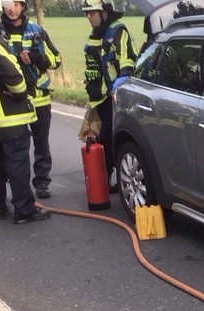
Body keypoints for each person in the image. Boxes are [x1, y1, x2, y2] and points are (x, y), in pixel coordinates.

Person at [0, 0, 50, 224]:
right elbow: (12, 74)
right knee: (17, 162)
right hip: (7, 117)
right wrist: (21, 93)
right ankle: (24, 210)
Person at [0, 0, 61, 199]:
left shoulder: (37, 31)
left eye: (17, 4)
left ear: (23, 6)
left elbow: (56, 60)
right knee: (13, 148)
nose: (12, 9)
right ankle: (14, 184)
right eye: (8, 4)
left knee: (41, 144)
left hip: (39, 99)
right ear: (2, 6)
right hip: (11, 102)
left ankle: (42, 181)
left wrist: (37, 58)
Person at [80, 0, 136, 192]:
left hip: (115, 96)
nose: (88, 16)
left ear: (104, 12)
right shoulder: (93, 36)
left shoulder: (118, 31)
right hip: (98, 98)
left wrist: (121, 81)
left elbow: (128, 60)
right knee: (101, 140)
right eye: (86, 13)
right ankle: (105, 180)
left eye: (92, 13)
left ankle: (120, 178)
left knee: (109, 138)